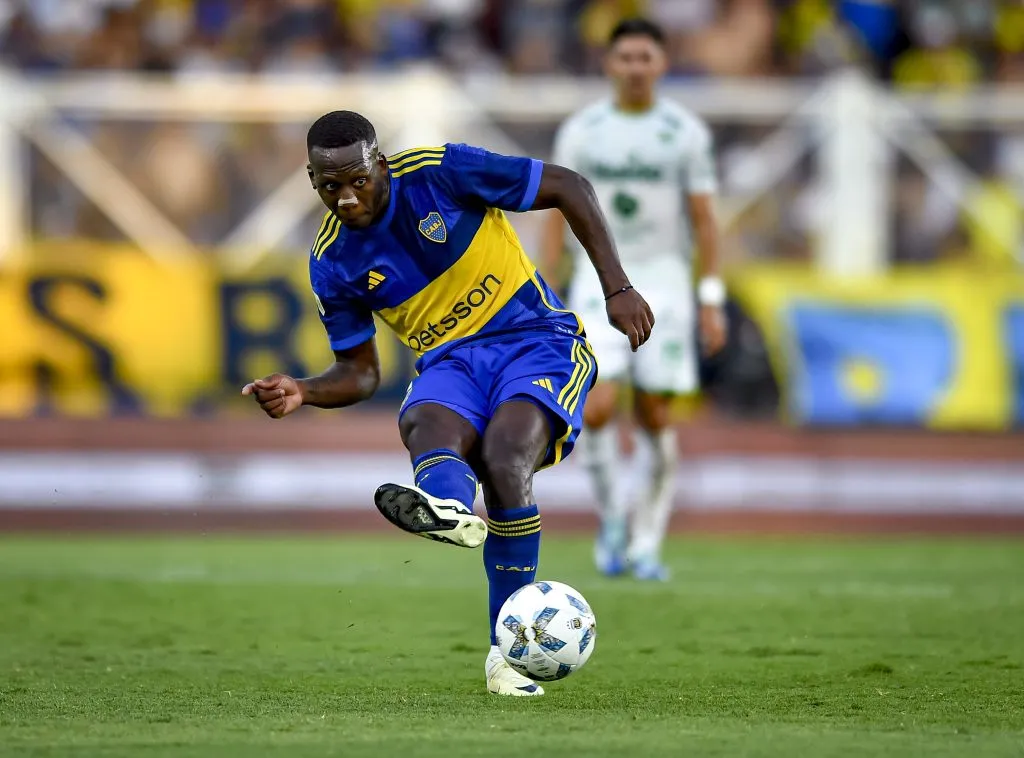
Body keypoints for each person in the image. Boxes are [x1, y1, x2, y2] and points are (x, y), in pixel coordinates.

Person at [242, 110, 654, 697]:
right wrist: (305, 390)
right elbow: (360, 374)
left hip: (536, 340)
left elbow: (568, 186)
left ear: (379, 163)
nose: (347, 198)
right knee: (420, 416)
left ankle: (504, 658)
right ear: (312, 181)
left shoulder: (442, 172)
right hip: (450, 362)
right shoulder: (332, 262)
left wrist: (617, 286)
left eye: (358, 179)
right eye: (329, 187)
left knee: (505, 457)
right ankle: (448, 510)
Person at [539, 18, 727, 582]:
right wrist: (544, 289)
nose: (636, 67)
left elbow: (705, 221)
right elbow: (554, 211)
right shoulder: (583, 131)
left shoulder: (685, 132)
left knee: (654, 414)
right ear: (609, 64)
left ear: (662, 64)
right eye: (626, 57)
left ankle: (647, 540)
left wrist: (710, 297)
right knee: (594, 406)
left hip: (665, 284)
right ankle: (614, 521)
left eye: (646, 57)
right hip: (599, 280)